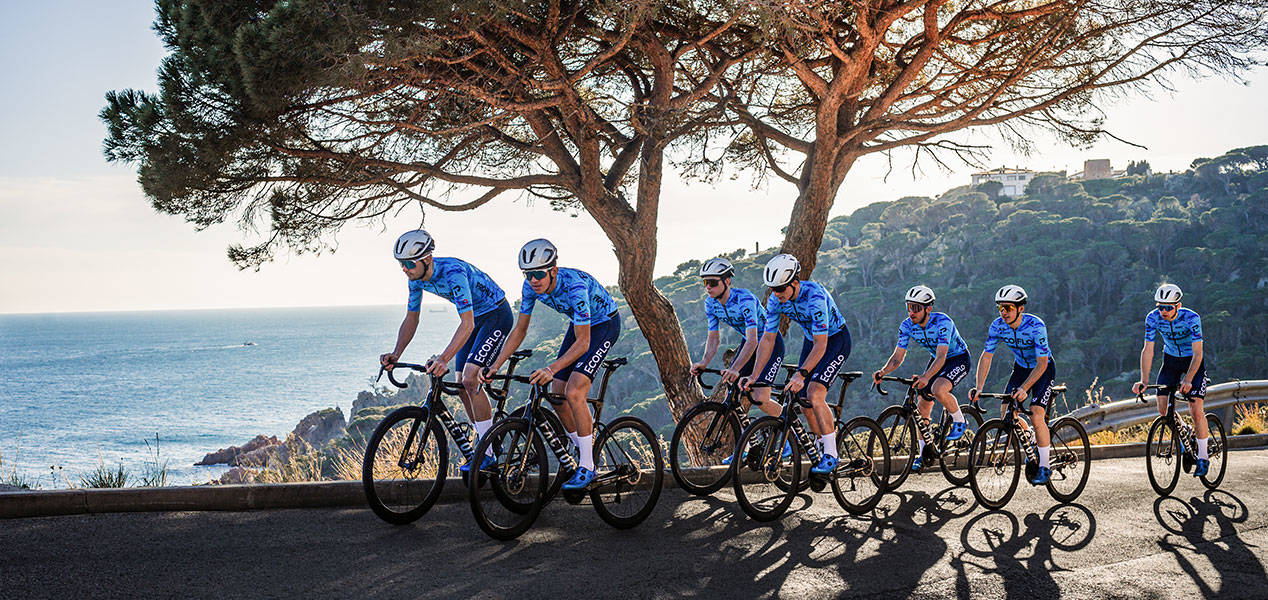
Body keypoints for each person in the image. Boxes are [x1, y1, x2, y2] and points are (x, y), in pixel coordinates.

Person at [481, 239, 621, 491]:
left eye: (538, 274)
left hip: (604, 324)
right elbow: (520, 330)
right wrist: (496, 365)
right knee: (557, 394)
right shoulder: (529, 288)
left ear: (553, 270)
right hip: (578, 324)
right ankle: (583, 447)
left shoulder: (575, 288)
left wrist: (550, 368)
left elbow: (584, 343)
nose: (533, 280)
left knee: (574, 391)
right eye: (527, 274)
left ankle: (588, 466)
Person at [379, 229, 512, 474]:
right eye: (401, 264)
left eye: (409, 263)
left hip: (496, 315)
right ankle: (484, 442)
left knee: (472, 378)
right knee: (461, 385)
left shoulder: (453, 273)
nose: (405, 269)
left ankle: (487, 453)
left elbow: (467, 323)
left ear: (427, 259)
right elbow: (411, 318)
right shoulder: (415, 280)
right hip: (476, 320)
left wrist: (443, 358)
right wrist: (396, 353)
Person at [743, 254, 851, 476]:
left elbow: (822, 345)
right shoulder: (775, 300)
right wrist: (755, 375)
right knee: (803, 402)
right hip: (812, 340)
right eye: (772, 289)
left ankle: (832, 455)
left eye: (781, 288)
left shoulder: (815, 297)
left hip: (835, 340)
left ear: (794, 283)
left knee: (814, 393)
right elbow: (767, 340)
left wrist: (801, 374)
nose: (776, 293)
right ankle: (819, 446)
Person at [688, 258, 786, 463]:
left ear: (727, 282)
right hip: (749, 342)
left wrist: (735, 368)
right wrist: (704, 362)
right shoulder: (711, 303)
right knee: (734, 395)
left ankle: (789, 433)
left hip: (769, 342)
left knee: (759, 396)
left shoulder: (745, 300)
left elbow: (753, 341)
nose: (708, 287)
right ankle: (745, 448)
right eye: (705, 283)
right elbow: (714, 338)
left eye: (712, 283)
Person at [872, 285, 972, 472]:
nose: (911, 312)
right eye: (909, 307)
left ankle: (959, 420)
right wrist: (883, 371)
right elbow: (898, 356)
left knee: (938, 389)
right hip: (937, 359)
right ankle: (924, 453)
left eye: (916, 308)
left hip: (957, 358)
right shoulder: (907, 325)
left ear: (928, 308)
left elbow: (942, 356)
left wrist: (926, 377)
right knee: (922, 406)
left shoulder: (943, 322)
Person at [970, 285, 1057, 485]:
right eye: (1000, 308)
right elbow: (986, 357)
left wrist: (1025, 388)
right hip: (1021, 368)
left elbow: (1042, 363)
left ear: (1020, 308)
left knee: (1036, 414)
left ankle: (1044, 466)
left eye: (1008, 308)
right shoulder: (997, 326)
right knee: (1005, 410)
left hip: (1042, 368)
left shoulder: (1036, 326)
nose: (1003, 313)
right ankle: (1030, 440)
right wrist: (979, 387)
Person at [1131, 283, 1210, 477]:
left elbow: (1198, 353)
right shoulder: (1152, 318)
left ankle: (1203, 456)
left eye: (1169, 307)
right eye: (1161, 307)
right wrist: (1143, 380)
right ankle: (1184, 433)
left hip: (1193, 362)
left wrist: (1189, 379)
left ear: (1178, 305)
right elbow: (1148, 349)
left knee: (1195, 409)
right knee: (1163, 409)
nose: (1164, 311)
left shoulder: (1192, 318)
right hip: (1171, 361)